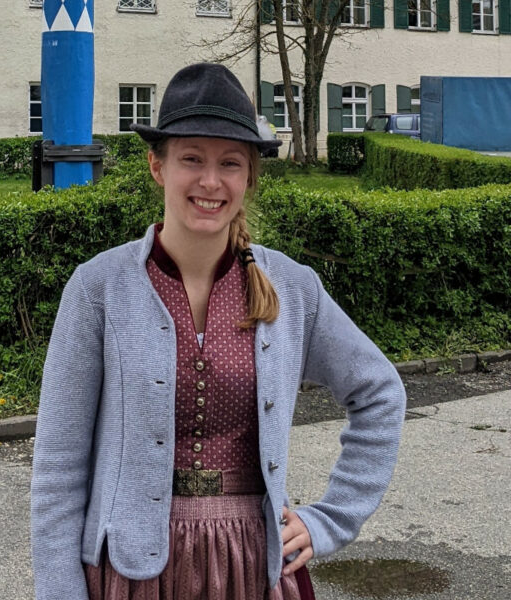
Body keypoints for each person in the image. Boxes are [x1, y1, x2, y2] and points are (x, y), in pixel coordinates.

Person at [31, 63, 406, 600]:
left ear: (250, 175)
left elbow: (380, 392)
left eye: (230, 162)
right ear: (157, 167)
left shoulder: (293, 289)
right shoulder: (99, 288)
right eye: (191, 159)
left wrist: (330, 519)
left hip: (252, 564)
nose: (211, 181)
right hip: (132, 572)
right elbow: (58, 466)